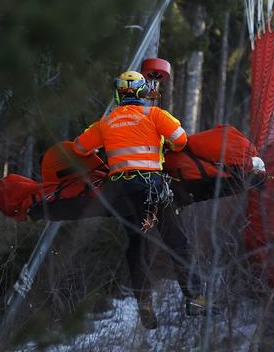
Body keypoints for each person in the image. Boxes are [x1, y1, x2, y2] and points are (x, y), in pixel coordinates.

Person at [72, 70, 204, 329]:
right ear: (143, 92)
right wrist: (161, 141)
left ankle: (144, 304)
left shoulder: (106, 122)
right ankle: (195, 299)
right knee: (177, 241)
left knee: (136, 247)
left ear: (119, 93)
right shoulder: (154, 114)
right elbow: (181, 140)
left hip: (121, 193)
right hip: (152, 188)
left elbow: (79, 148)